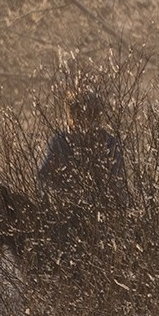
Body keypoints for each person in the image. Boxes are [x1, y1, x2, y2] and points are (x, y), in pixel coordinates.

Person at [39, 87, 131, 231]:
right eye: (76, 115)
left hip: (105, 219)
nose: (82, 120)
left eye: (88, 115)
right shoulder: (60, 142)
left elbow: (118, 184)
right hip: (65, 217)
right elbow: (45, 178)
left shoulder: (109, 144)